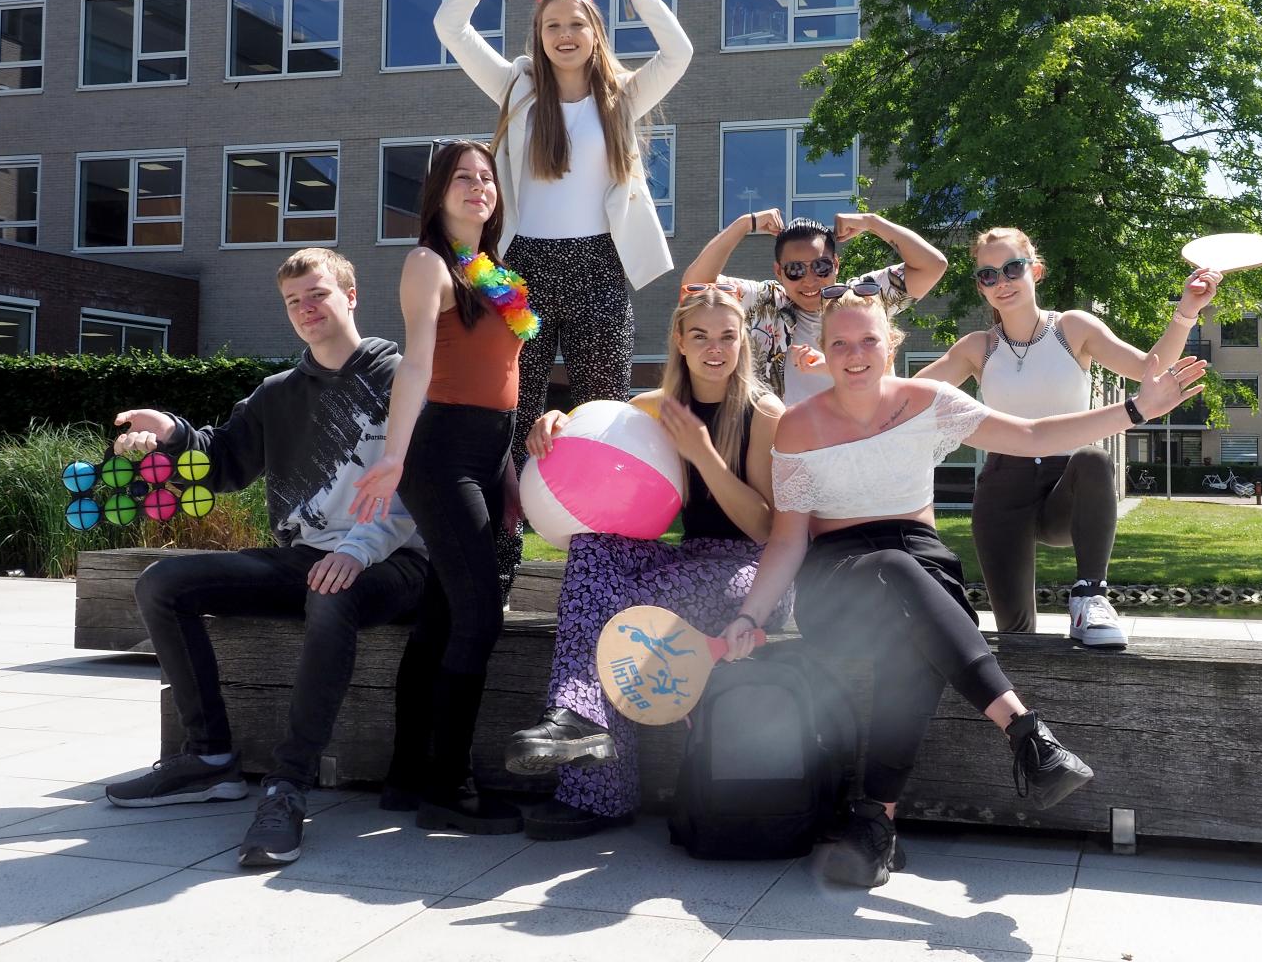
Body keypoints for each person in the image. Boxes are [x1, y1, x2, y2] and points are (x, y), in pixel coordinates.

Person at [719, 287, 1207, 887]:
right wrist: (751, 615)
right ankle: (1027, 734)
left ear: (891, 344)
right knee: (898, 573)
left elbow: (1030, 435)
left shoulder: (929, 402)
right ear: (822, 351)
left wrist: (1133, 411)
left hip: (920, 561)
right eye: (840, 343)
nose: (855, 354)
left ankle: (875, 823)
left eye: (869, 339)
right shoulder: (798, 427)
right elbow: (790, 538)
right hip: (840, 577)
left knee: (917, 631)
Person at [105, 249, 428, 870]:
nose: (307, 309)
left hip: (394, 561)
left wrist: (358, 551)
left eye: (319, 294)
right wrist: (168, 431)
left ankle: (288, 785)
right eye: (294, 302)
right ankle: (209, 759)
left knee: (332, 591)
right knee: (163, 583)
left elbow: (417, 487)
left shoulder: (399, 377)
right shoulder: (278, 393)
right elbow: (223, 461)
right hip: (306, 558)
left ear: (351, 295)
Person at [434, 0, 691, 580]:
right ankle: (499, 559)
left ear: (597, 32)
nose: (565, 34)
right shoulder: (516, 89)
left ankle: (607, 568)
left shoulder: (623, 98)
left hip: (601, 269)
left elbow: (681, 49)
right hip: (520, 273)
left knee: (603, 418)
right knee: (510, 418)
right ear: (539, 34)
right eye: (552, 25)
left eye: (578, 23)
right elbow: (450, 26)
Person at [501, 282, 787, 839]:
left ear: (743, 343)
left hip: (752, 576)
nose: (715, 348)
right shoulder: (653, 407)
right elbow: (600, 436)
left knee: (615, 611)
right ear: (679, 339)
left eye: (728, 337)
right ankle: (584, 731)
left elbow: (765, 526)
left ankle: (593, 779)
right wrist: (556, 419)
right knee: (592, 552)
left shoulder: (763, 411)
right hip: (689, 560)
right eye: (700, 335)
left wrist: (704, 454)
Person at [917, 227, 1222, 645]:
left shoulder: (1072, 328)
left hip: (1068, 487)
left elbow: (1149, 368)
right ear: (980, 286)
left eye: (1011, 269)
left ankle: (1089, 597)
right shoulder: (977, 347)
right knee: (1016, 637)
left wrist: (1186, 310)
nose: (1001, 282)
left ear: (1035, 271)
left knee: (1094, 460)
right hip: (1003, 491)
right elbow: (911, 396)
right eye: (988, 275)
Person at [350, 141, 533, 836]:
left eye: (487, 179)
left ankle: (406, 776)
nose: (478, 188)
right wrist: (395, 456)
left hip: (487, 453)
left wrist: (508, 469)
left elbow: (504, 380)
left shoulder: (489, 271)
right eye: (463, 177)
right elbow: (417, 365)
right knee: (479, 618)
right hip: (442, 452)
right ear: (438, 191)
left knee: (439, 615)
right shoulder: (427, 263)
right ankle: (448, 789)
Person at [683, 212, 948, 405]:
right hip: (797, 449)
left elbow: (933, 265)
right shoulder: (768, 302)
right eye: (795, 270)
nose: (810, 280)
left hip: (870, 440)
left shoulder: (863, 297)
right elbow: (693, 287)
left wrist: (872, 222)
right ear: (779, 272)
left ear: (836, 265)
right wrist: (743, 224)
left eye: (820, 267)